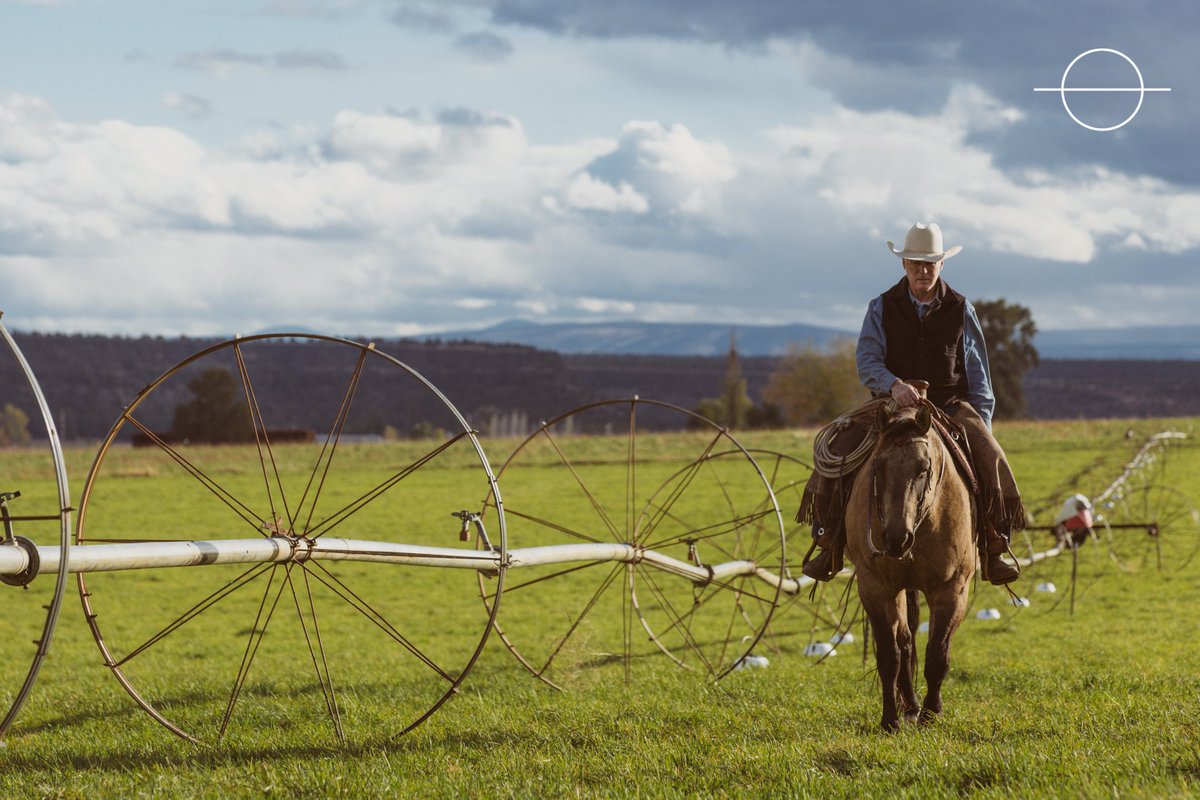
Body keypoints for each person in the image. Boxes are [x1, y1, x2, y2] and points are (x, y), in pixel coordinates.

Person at [800, 222, 1024, 585]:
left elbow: (979, 377)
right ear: (904, 264)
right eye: (915, 263)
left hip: (949, 406)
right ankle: (829, 542)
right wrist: (894, 385)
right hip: (890, 408)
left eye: (929, 263)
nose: (923, 270)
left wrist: (981, 428)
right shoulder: (881, 307)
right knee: (837, 450)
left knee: (992, 456)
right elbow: (867, 361)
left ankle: (995, 547)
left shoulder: (961, 309)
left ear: (941, 265)